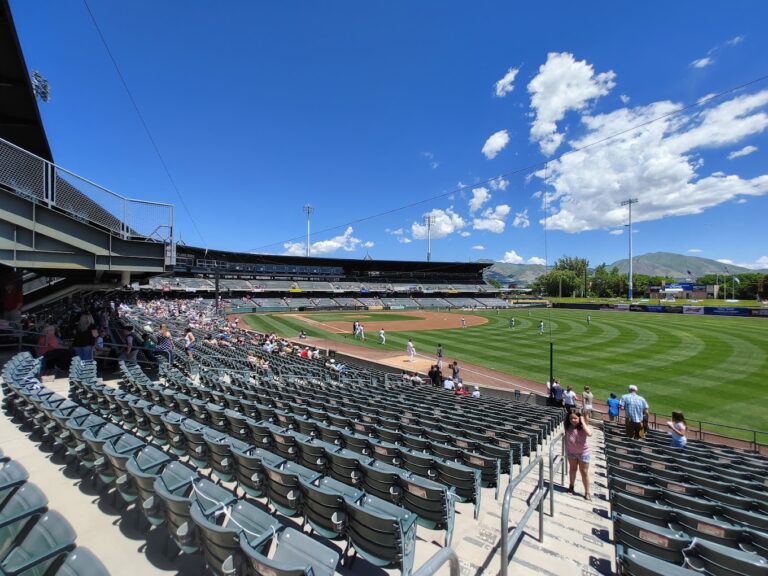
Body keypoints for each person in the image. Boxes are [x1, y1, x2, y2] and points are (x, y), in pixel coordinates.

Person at [564, 411, 593, 500]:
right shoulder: (567, 426)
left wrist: (583, 422)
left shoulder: (583, 426)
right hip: (571, 453)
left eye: (575, 418)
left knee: (584, 472)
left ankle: (587, 492)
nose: (573, 420)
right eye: (571, 418)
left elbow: (590, 434)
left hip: (583, 453)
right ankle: (571, 486)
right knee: (572, 470)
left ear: (579, 418)